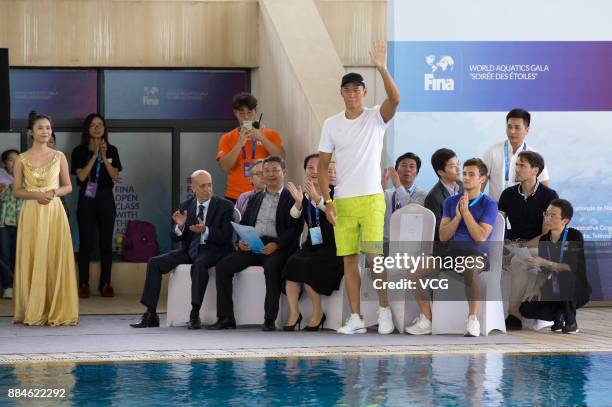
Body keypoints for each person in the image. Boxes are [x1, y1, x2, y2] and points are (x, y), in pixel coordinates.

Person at [317, 41, 400, 335]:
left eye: (357, 90)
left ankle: (384, 310)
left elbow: (396, 98)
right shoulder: (331, 124)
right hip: (343, 202)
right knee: (349, 261)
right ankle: (356, 317)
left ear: (364, 92)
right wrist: (327, 201)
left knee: (374, 257)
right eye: (347, 90)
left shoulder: (376, 117)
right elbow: (323, 166)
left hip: (372, 199)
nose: (352, 94)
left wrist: (382, 68)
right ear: (341, 93)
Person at [405, 158, 498, 337]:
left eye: (472, 174)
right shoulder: (450, 202)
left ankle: (472, 319)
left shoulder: (489, 204)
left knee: (470, 268)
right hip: (451, 253)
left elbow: (480, 237)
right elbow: (443, 236)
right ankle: (427, 319)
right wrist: (456, 218)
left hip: (476, 255)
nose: (467, 177)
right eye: (465, 173)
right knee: (414, 270)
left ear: (482, 179)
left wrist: (466, 214)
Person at [131, 170, 234, 329]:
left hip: (214, 250)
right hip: (190, 250)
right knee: (154, 262)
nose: (207, 189)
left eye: (209, 185)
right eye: (202, 186)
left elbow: (226, 236)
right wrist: (180, 226)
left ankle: (194, 313)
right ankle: (150, 313)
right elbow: (175, 237)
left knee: (199, 264)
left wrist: (205, 230)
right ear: (193, 188)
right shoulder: (186, 206)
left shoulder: (225, 206)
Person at [209, 156, 302, 331]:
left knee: (272, 267)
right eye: (266, 171)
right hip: (253, 244)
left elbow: (294, 229)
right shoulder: (256, 198)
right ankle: (226, 318)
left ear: (284, 172)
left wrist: (277, 245)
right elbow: (244, 222)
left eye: (275, 170)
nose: (270, 174)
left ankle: (269, 319)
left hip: (277, 247)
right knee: (222, 267)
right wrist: (242, 241)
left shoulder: (292, 198)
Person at [12, 111, 78, 326]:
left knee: (54, 257)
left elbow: (68, 186)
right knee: (33, 256)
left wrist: (52, 194)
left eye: (48, 127)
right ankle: (33, 309)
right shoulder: (21, 159)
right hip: (31, 212)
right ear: (31, 131)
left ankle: (56, 309)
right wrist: (36, 195)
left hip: (53, 211)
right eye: (40, 128)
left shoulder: (59, 156)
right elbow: (16, 191)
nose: (45, 132)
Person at [283, 154, 344, 331]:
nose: (314, 171)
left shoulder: (335, 192)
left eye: (319, 167)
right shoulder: (303, 194)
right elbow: (294, 220)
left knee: (309, 266)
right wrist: (298, 203)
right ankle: (295, 313)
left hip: (333, 246)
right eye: (310, 167)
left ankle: (318, 313)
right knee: (292, 263)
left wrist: (318, 198)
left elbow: (336, 218)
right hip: (312, 245)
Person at [498, 151, 558, 329]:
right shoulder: (507, 194)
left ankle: (514, 312)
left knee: (519, 260)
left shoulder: (549, 196)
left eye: (521, 165)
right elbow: (499, 225)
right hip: (513, 245)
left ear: (535, 171)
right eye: (516, 164)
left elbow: (547, 234)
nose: (516, 168)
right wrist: (504, 244)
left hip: (539, 246)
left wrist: (522, 245)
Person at [520, 199, 591, 334]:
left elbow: (569, 267)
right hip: (554, 289)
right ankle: (559, 316)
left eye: (552, 215)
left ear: (565, 220)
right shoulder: (544, 239)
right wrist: (535, 289)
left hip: (575, 289)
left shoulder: (574, 236)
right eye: (546, 214)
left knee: (565, 275)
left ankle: (571, 322)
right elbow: (543, 271)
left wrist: (545, 262)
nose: (547, 218)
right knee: (526, 308)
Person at [71, 113, 122, 299]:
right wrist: (95, 155)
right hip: (87, 196)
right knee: (85, 242)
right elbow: (82, 177)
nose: (97, 128)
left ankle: (105, 283)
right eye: (93, 125)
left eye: (100, 124)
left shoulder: (113, 150)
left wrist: (105, 154)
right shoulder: (79, 151)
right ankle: (83, 283)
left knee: (106, 242)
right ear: (87, 129)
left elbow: (115, 176)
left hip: (106, 197)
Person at [217, 92, 285, 202]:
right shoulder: (227, 138)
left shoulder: (270, 134)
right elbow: (225, 167)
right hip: (235, 196)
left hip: (265, 193)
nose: (247, 117)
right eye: (242, 113)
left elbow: (282, 157)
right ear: (235, 113)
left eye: (250, 112)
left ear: (256, 111)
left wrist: (262, 138)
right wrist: (239, 144)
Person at [482, 108, 550, 202]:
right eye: (509, 127)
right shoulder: (493, 151)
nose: (512, 131)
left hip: (524, 210)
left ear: (527, 130)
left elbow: (544, 186)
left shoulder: (535, 156)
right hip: (496, 210)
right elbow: (480, 182)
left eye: (517, 127)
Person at [382, 152, 427, 242]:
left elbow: (412, 209)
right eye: (403, 165)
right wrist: (381, 186)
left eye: (412, 166)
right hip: (386, 244)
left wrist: (398, 185)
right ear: (396, 170)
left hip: (411, 245)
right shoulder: (386, 194)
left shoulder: (423, 195)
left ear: (417, 172)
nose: (407, 169)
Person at [424, 148, 463, 241]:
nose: (458, 169)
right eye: (453, 166)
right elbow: (438, 234)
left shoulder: (463, 186)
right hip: (448, 249)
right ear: (441, 172)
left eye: (458, 163)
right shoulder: (433, 198)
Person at [0, 149, 22, 299]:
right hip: (4, 223)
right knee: (4, 255)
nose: (13, 163)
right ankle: (8, 286)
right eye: (10, 160)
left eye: (17, 160)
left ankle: (19, 286)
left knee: (19, 255)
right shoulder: (1, 177)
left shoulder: (26, 178)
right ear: (4, 163)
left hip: (22, 222)